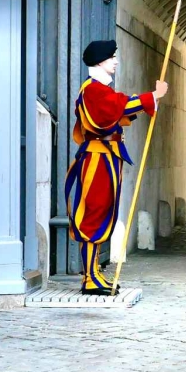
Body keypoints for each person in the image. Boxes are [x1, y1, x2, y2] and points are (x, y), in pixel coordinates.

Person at [65, 39, 167, 295]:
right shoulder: (93, 90)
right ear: (100, 61)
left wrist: (148, 101)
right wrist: (152, 97)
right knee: (94, 214)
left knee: (102, 213)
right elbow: (115, 107)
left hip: (106, 158)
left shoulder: (99, 90)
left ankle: (94, 272)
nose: (116, 61)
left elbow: (118, 110)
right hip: (97, 159)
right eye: (111, 57)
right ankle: (89, 277)